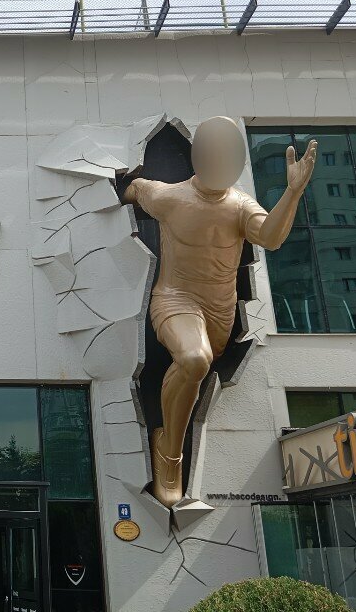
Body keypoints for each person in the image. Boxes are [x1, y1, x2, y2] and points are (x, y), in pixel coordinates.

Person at [123, 116, 317, 508]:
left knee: (198, 364)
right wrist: (115, 194)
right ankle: (169, 455)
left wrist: (293, 192)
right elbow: (137, 189)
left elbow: (271, 237)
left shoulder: (240, 206)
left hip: (219, 314)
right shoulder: (170, 197)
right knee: (194, 359)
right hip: (174, 300)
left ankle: (168, 436)